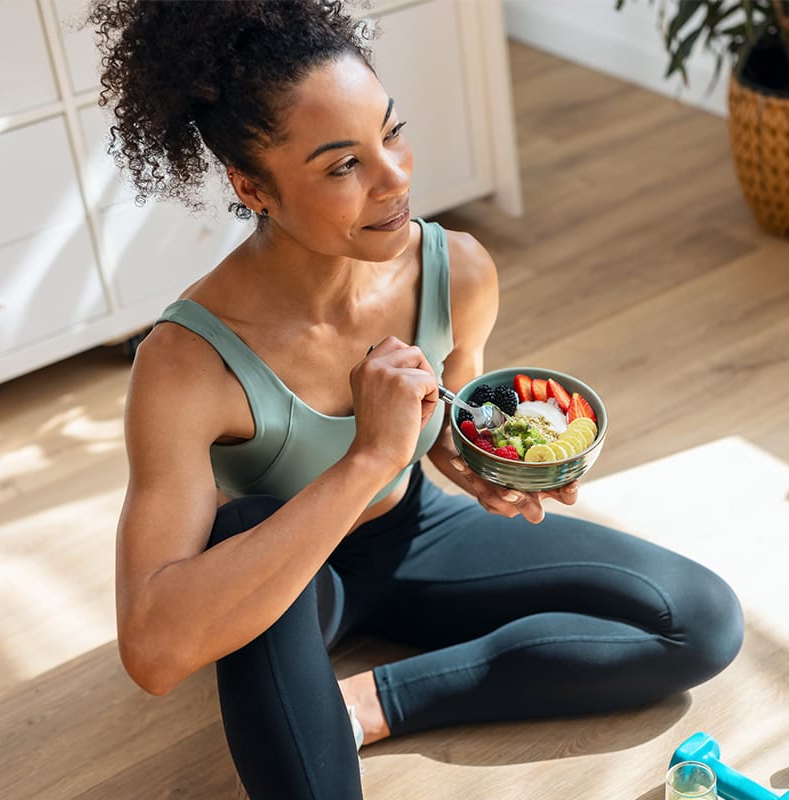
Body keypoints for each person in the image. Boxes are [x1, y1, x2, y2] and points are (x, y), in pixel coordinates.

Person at [91, 2, 744, 798]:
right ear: (252, 187)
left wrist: (485, 463)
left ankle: (366, 705)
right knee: (249, 522)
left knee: (700, 620)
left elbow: (447, 418)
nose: (394, 175)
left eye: (391, 133)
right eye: (342, 165)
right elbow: (156, 652)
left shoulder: (456, 269)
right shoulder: (187, 363)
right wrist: (369, 454)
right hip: (281, 579)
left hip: (412, 534)